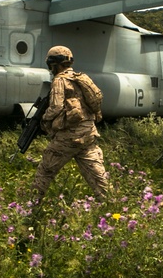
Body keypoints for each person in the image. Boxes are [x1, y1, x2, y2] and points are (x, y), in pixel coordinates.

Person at [30, 46, 110, 203]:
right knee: (98, 177)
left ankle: (30, 207)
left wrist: (43, 121)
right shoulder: (80, 78)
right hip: (88, 136)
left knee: (45, 172)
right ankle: (110, 206)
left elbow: (55, 108)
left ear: (54, 65)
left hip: (68, 138)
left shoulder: (59, 81)